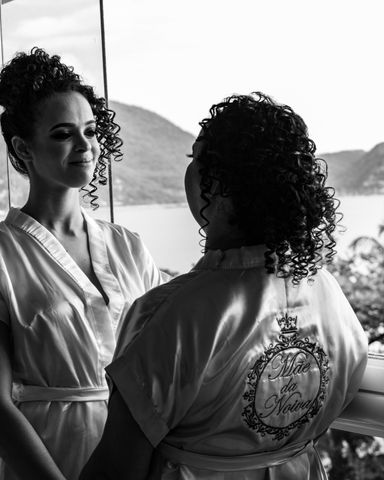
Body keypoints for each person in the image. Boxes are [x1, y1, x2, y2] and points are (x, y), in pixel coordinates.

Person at [80, 92, 369, 480]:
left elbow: (117, 467)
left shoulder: (170, 314)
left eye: (195, 160)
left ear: (219, 187)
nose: (190, 172)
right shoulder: (329, 295)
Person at [0, 47, 169, 480]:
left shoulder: (128, 247)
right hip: (46, 454)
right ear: (23, 148)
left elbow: (166, 353)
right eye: (63, 134)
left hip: (136, 451)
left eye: (89, 130)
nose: (85, 145)